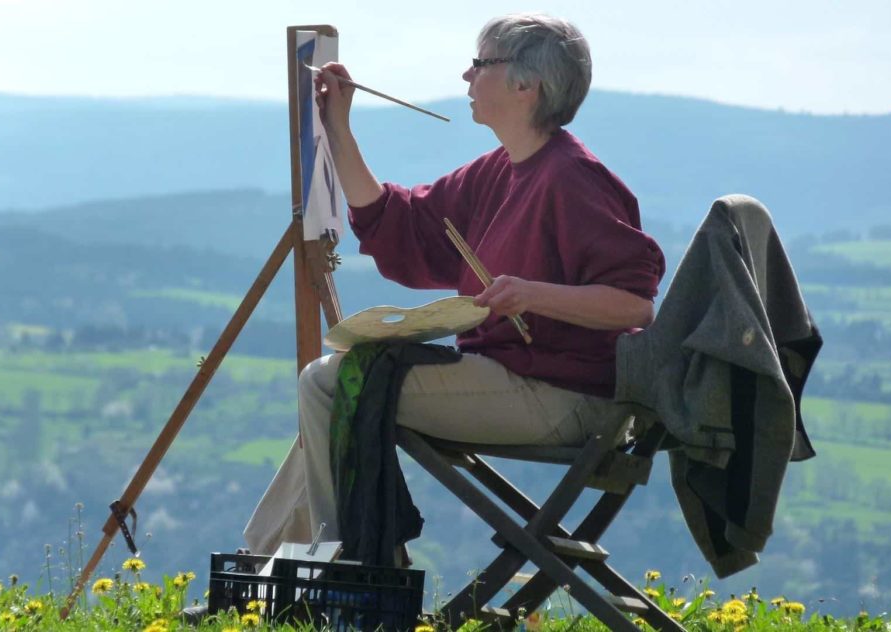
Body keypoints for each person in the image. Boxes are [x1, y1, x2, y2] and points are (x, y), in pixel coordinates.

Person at [243, 13, 666, 555]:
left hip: (566, 397)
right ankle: (273, 566)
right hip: (515, 378)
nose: (467, 76)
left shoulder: (572, 178)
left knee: (331, 385)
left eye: (480, 63)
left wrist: (533, 294)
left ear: (524, 85)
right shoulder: (500, 169)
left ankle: (334, 567)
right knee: (340, 388)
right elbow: (401, 223)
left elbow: (634, 304)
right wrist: (338, 127)